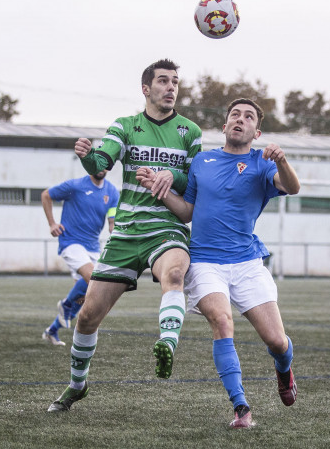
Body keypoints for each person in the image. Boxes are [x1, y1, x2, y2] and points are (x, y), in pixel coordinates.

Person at [47, 59, 202, 412]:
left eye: (175, 81)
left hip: (166, 228)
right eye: (163, 81)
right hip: (127, 232)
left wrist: (170, 176)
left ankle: (167, 342)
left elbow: (194, 182)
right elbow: (103, 161)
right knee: (87, 317)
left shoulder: (189, 132)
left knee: (174, 274)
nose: (170, 87)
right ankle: (76, 385)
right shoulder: (126, 126)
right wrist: (89, 159)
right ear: (146, 89)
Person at [137, 98, 301, 428]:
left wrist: (281, 160)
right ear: (225, 126)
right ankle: (241, 407)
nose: (241, 119)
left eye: (249, 117)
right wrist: (160, 189)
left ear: (257, 131)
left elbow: (292, 187)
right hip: (205, 262)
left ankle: (284, 371)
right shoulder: (202, 161)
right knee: (222, 322)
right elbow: (188, 212)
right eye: (235, 115)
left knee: (277, 342)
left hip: (247, 263)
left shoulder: (262, 163)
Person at [40, 170, 119, 346]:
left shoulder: (112, 192)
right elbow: (46, 195)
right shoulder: (75, 186)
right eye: (97, 164)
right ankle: (67, 307)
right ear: (90, 165)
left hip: (93, 247)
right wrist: (52, 223)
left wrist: (117, 235)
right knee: (94, 278)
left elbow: (112, 223)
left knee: (93, 290)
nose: (101, 168)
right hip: (71, 242)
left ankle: (52, 330)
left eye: (105, 164)